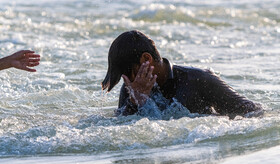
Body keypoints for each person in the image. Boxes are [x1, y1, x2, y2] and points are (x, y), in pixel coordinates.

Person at [102, 30, 263, 119]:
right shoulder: (131, 90)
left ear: (146, 59)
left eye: (127, 75)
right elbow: (122, 130)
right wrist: (135, 103)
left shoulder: (198, 80)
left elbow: (254, 111)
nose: (127, 83)